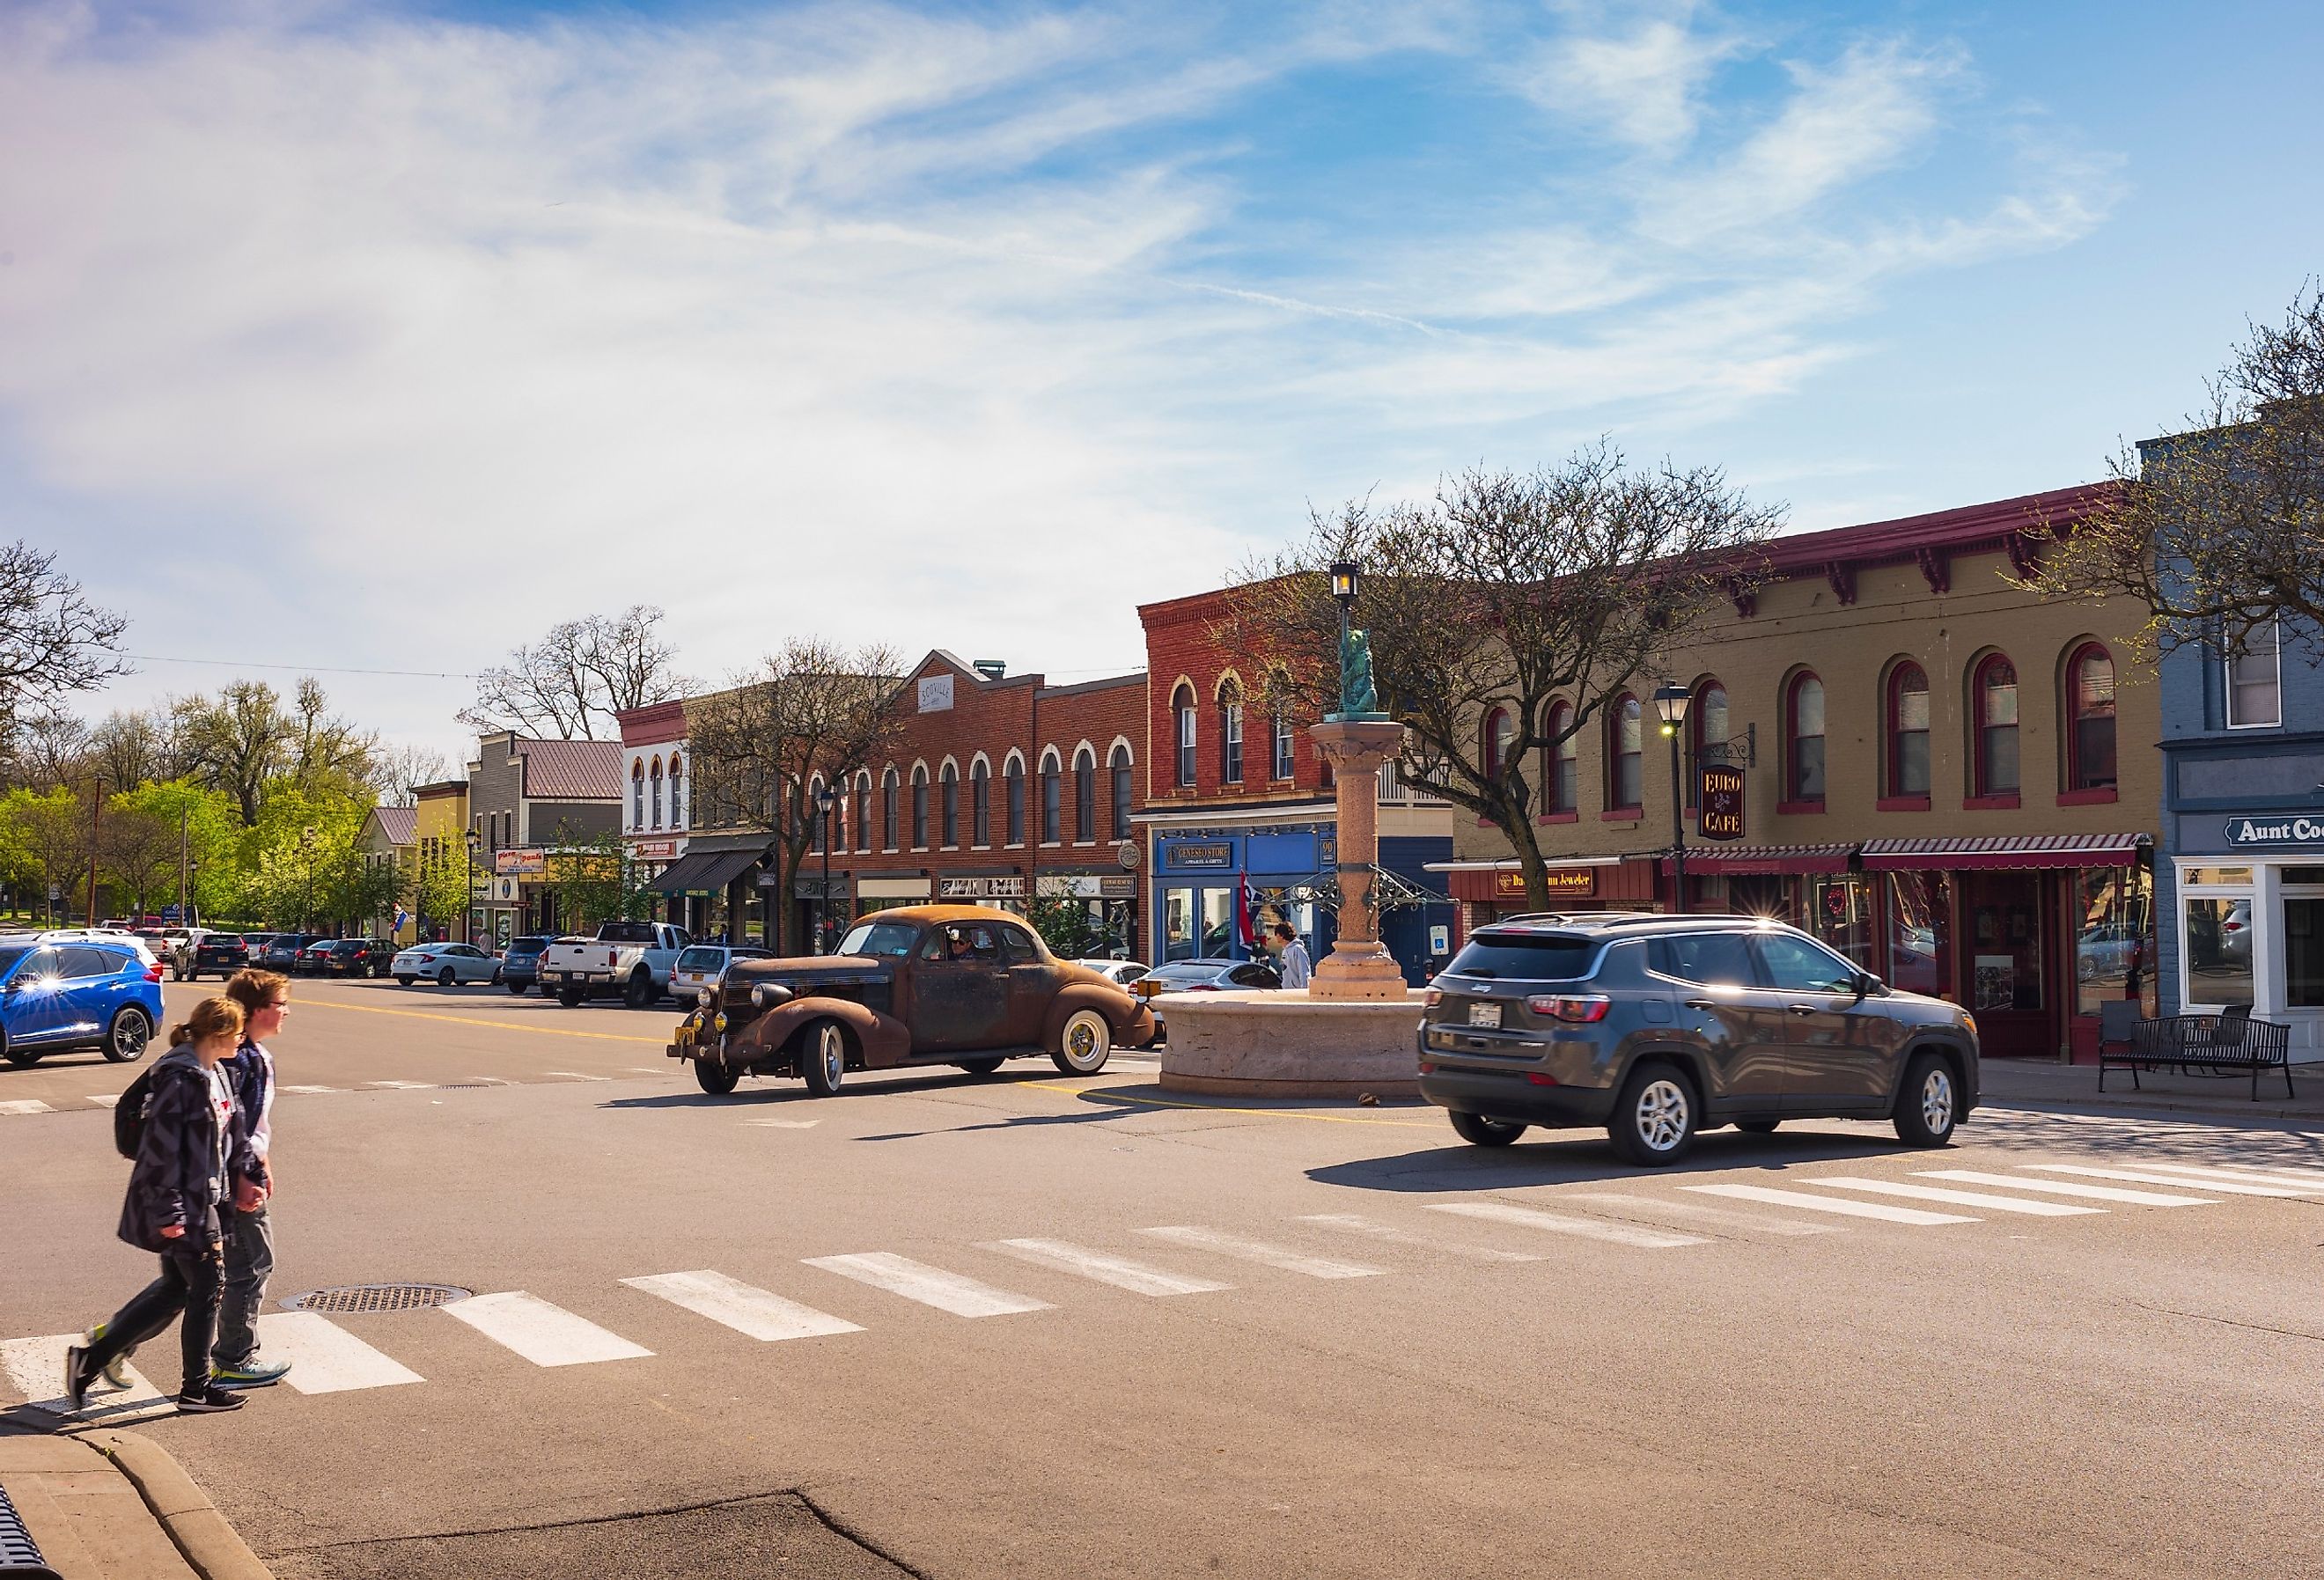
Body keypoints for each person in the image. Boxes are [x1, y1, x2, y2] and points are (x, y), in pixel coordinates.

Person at [68, 997, 254, 1415]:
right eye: (239, 1034)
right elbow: (161, 1152)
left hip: (207, 1197)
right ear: (220, 1035)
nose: (242, 1041)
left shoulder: (217, 1072)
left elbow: (231, 1135)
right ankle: (195, 1390)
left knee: (176, 1288)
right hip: (185, 1203)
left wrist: (249, 1175)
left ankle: (92, 1359)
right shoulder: (181, 1079)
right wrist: (171, 1212)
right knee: (209, 1287)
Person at [210, 969, 291, 1388]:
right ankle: (233, 1359)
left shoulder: (250, 1053)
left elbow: (254, 1125)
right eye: (280, 1004)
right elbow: (233, 1125)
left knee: (193, 1279)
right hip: (233, 1179)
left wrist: (265, 1161)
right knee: (253, 1263)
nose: (286, 1012)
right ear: (258, 1010)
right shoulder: (240, 1058)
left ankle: (107, 1346)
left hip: (238, 1172)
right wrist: (246, 1175)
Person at [1273, 922, 1312, 990]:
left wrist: (1304, 991)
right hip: (1287, 991)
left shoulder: (1298, 949)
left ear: (1282, 935)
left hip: (1297, 992)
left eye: (1277, 934)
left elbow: (1304, 971)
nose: (1275, 936)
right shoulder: (1285, 950)